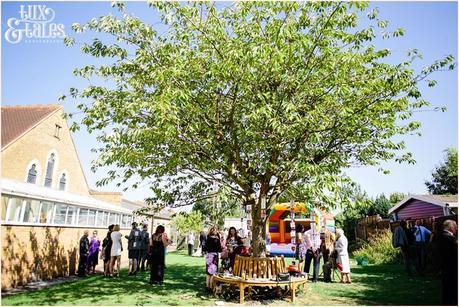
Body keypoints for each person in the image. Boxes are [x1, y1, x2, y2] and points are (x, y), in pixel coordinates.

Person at [436, 219, 457, 305]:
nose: (456, 228)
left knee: (446, 289)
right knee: (453, 289)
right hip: (453, 267)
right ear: (451, 227)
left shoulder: (439, 236)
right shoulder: (451, 238)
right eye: (455, 226)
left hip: (443, 267)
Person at [203, 226, 222, 291]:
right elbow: (219, 249)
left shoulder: (208, 238)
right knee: (213, 271)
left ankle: (207, 285)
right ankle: (211, 286)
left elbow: (205, 248)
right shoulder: (216, 239)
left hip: (208, 256)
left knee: (208, 272)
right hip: (214, 256)